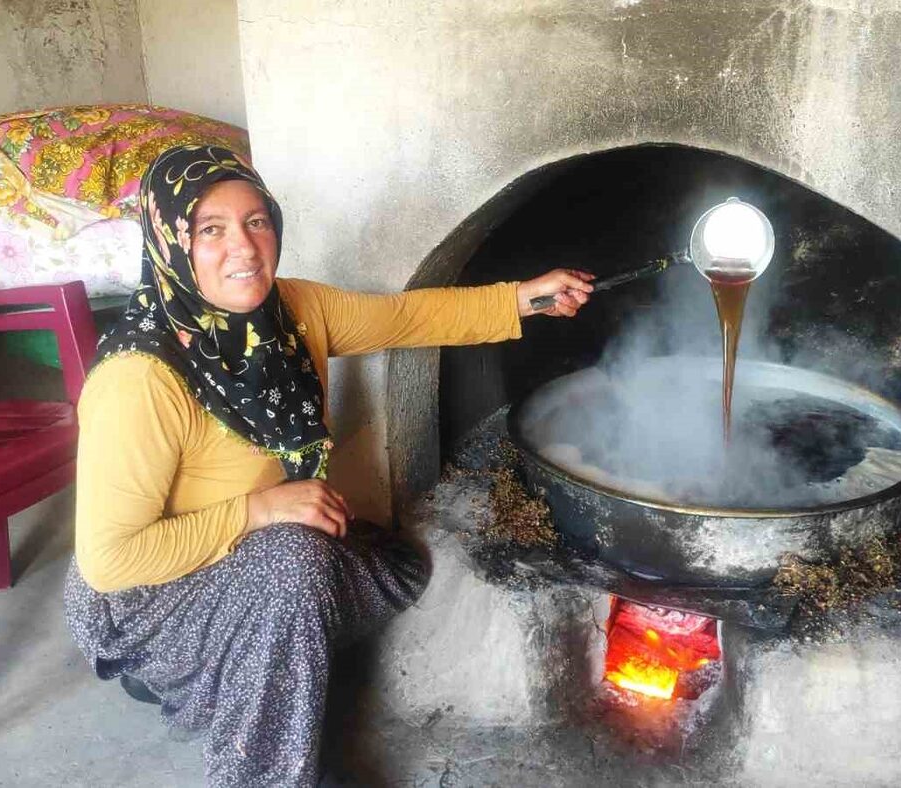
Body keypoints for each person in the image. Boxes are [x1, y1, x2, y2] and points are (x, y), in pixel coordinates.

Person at [62, 144, 592, 787]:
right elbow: (112, 560)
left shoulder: (290, 312)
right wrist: (261, 509)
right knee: (297, 562)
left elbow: (406, 316)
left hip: (252, 555)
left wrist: (525, 299)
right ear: (169, 243)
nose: (245, 247)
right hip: (148, 604)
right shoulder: (139, 380)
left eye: (257, 220)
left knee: (373, 563)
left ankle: (252, 658)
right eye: (211, 229)